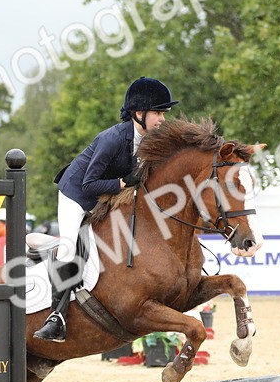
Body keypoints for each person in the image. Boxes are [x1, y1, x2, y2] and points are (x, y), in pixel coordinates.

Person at [34, 76, 178, 342]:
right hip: (77, 195)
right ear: (138, 113)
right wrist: (124, 182)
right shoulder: (111, 139)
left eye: (163, 113)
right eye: (158, 112)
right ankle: (57, 316)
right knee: (68, 248)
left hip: (107, 196)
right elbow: (89, 184)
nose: (162, 119)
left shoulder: (148, 140)